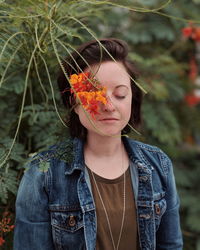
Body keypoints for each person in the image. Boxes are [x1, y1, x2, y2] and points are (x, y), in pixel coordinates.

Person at [14, 38, 183, 250]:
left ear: (133, 99)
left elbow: (171, 246)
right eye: (94, 94)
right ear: (73, 103)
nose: (108, 105)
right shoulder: (42, 172)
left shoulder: (159, 164)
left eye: (120, 94)